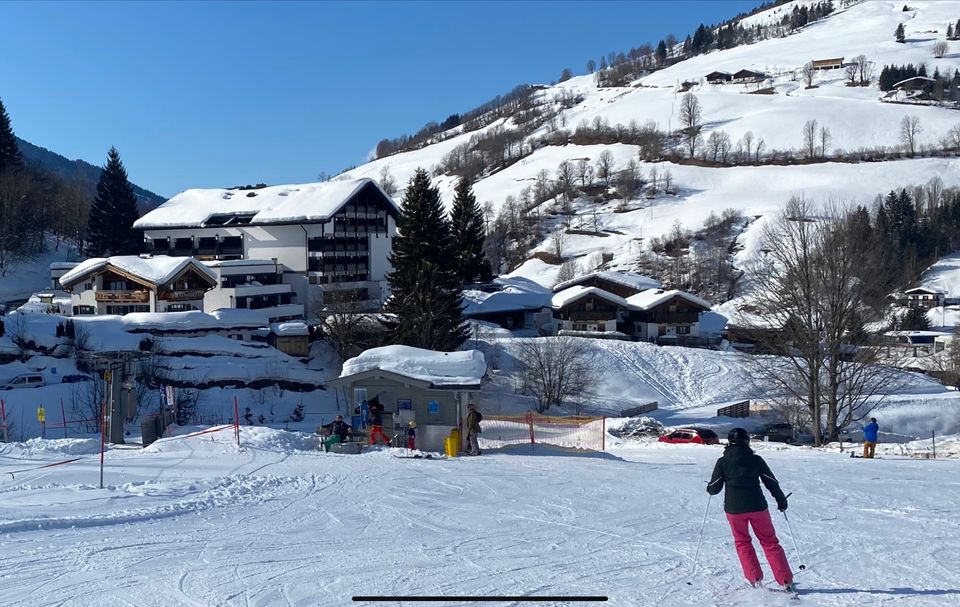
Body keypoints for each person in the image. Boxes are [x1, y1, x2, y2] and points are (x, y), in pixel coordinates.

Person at [707, 428, 794, 592]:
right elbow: (770, 481)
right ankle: (785, 580)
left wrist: (710, 488)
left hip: (734, 509)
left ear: (729, 443)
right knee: (769, 542)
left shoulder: (723, 462)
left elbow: (715, 487)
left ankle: (754, 578)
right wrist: (780, 500)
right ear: (747, 442)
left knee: (742, 542)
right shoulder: (756, 460)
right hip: (757, 507)